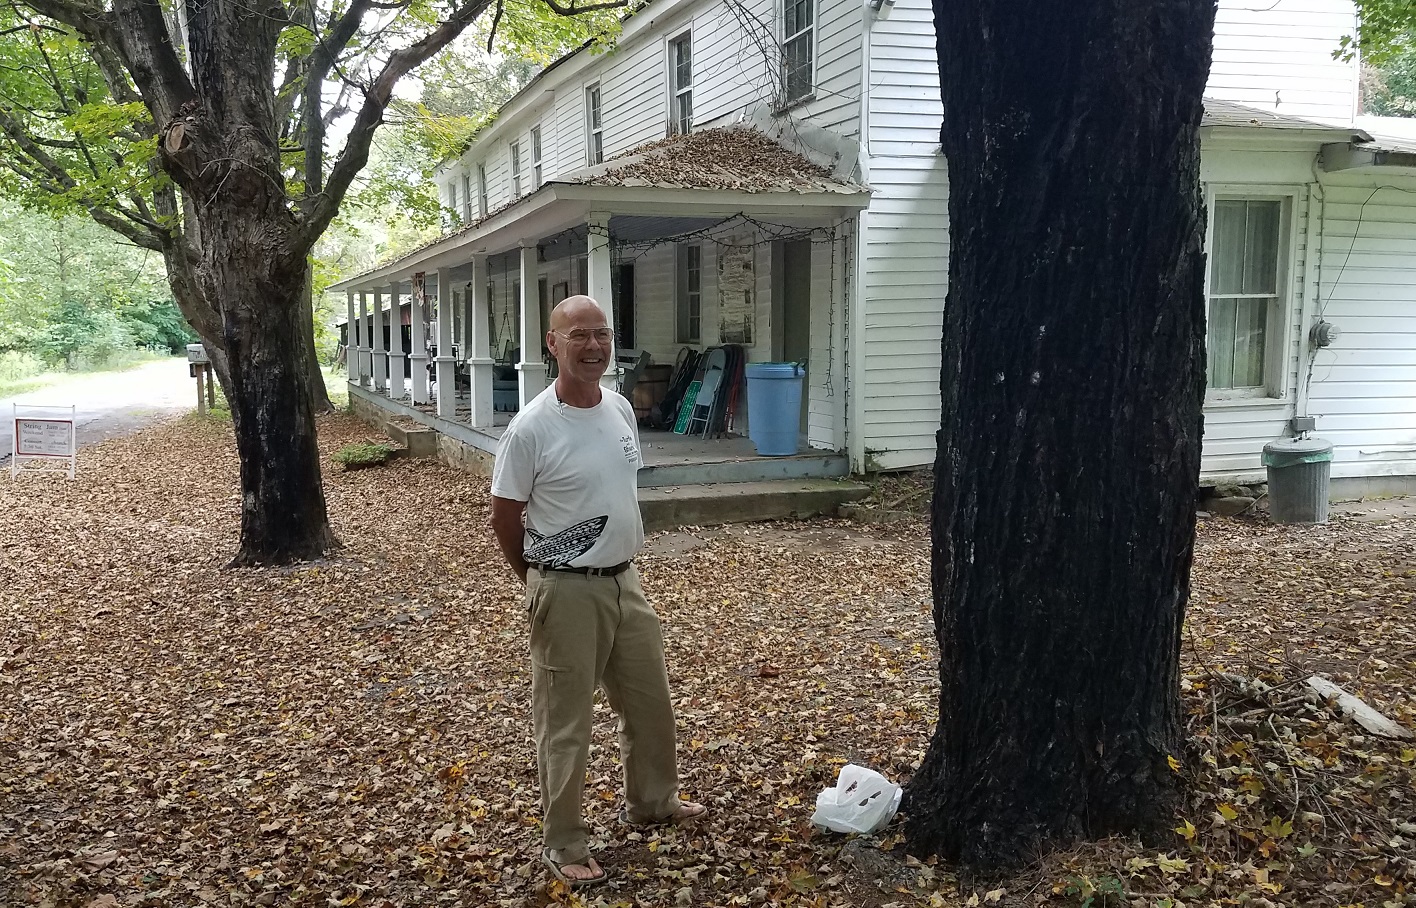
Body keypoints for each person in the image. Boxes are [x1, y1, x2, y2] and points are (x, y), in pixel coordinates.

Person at [488, 295, 706, 889]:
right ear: (552, 344)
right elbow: (504, 516)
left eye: (601, 334)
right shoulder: (532, 427)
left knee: (650, 704)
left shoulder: (619, 408)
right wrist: (539, 581)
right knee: (566, 723)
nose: (592, 346)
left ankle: (653, 801)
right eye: (578, 335)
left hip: (625, 582)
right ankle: (562, 840)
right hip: (566, 591)